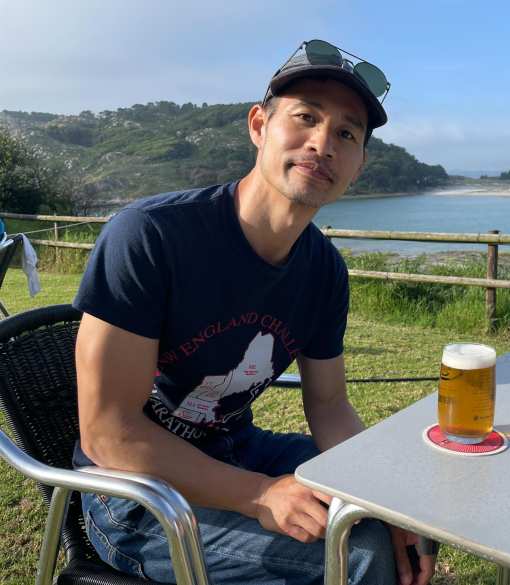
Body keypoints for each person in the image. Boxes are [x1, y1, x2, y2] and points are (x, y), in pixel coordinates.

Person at [73, 39, 437, 585]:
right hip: (130, 496)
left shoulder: (323, 271)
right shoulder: (151, 236)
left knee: (391, 505)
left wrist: (387, 499)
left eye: (346, 133)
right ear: (259, 125)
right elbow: (108, 432)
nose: (322, 143)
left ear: (359, 164)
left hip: (236, 447)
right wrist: (261, 494)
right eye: (306, 117)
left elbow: (331, 405)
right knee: (358, 552)